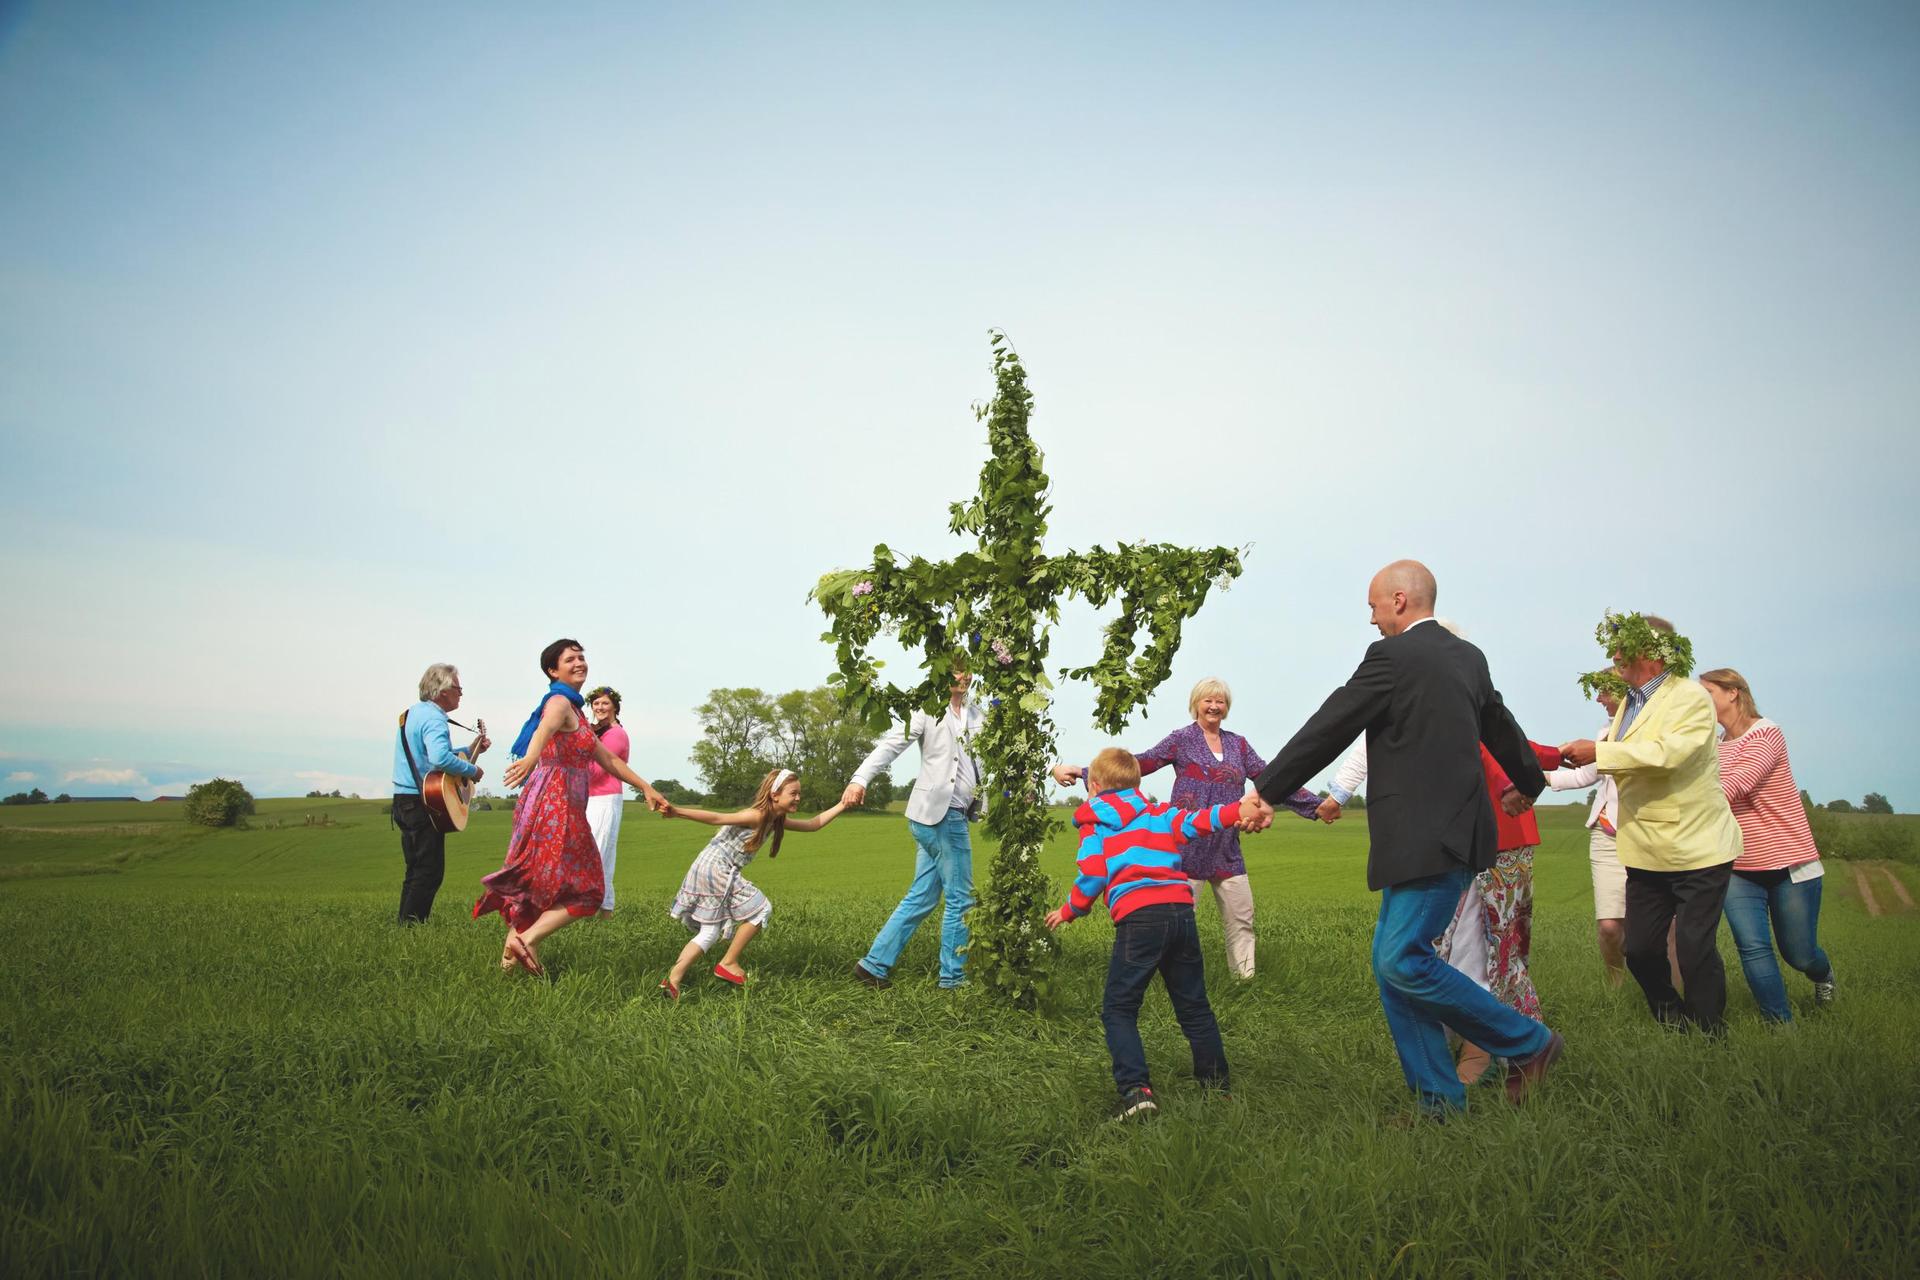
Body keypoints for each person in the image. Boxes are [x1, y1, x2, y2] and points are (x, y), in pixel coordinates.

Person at [1242, 560, 1562, 1117]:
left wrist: (1267, 788)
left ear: (1397, 601)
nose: (1370, 621)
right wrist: (1529, 783)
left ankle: (1529, 1043)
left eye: (1372, 608)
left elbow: (1333, 721)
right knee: (1394, 970)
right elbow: (1501, 724)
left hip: (1423, 838)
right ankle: (1439, 1103)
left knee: (1402, 963)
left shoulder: (1391, 656)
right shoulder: (1469, 657)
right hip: (1449, 834)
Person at [1318, 728, 1561, 1085]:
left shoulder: (1445, 692)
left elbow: (1487, 740)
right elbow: (1370, 742)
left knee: (1479, 947)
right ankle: (1492, 1049)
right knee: (1459, 947)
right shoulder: (1432, 693)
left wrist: (1518, 778)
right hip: (1464, 839)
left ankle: (1488, 1050)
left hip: (1487, 840)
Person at [1048, 678, 1319, 979]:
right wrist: (1081, 771)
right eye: (1208, 700)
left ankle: (1245, 981)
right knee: (1176, 923)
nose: (1214, 706)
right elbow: (1141, 764)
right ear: (1196, 705)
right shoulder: (1182, 739)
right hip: (1185, 846)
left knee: (1241, 919)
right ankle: (1166, 979)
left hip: (1226, 846)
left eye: (1220, 701)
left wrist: (1316, 806)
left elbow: (1270, 777)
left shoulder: (1238, 745)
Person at [1560, 613, 1743, 1033]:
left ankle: (1708, 1034)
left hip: (1696, 847)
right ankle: (1671, 1017)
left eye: (1623, 647)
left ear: (1653, 652)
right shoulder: (1629, 702)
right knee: (1640, 950)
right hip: (1645, 849)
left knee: (1695, 949)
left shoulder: (1691, 699)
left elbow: (1668, 754)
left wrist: (1601, 753)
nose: (1615, 655)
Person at [1045, 747, 1243, 1119]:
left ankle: (1136, 1092)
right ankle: (1218, 1090)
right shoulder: (1159, 814)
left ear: (1096, 785)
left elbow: (1092, 876)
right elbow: (1200, 821)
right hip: (1181, 911)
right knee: (1194, 1006)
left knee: (1119, 1008)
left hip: (1139, 918)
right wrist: (1238, 809)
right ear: (1136, 783)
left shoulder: (1095, 823)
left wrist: (1068, 911)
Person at [478, 639, 667, 975]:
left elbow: (607, 758)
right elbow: (546, 725)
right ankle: (527, 940)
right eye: (570, 659)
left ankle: (506, 971)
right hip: (556, 804)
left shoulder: (578, 711)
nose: (580, 662)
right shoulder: (560, 701)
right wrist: (532, 757)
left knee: (537, 887)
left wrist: (645, 786)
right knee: (590, 892)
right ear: (553, 670)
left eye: (582, 657)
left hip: (558, 802)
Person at [1700, 667, 1835, 1021]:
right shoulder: (1713, 745)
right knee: (1753, 948)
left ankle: (1822, 974)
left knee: (1799, 954)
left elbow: (1738, 784)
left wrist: (1687, 802)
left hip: (1789, 862)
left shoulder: (1766, 733)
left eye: (1707, 694)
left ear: (1732, 692)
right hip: (1739, 864)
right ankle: (1780, 1026)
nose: (1701, 703)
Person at [842, 664, 984, 990]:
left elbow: (999, 754)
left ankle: (873, 965)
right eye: (956, 671)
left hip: (951, 814)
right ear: (942, 675)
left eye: (968, 671)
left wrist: (1050, 769)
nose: (964, 677)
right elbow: (890, 745)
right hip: (939, 814)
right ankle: (953, 979)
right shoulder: (927, 710)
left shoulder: (977, 715)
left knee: (922, 896)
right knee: (962, 899)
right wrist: (860, 779)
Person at [658, 768, 849, 998]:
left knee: (710, 931)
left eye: (799, 793)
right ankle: (728, 963)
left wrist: (843, 805)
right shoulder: (756, 815)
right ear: (775, 794)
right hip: (717, 867)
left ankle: (672, 980)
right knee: (761, 909)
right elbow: (716, 818)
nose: (798, 797)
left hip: (707, 866)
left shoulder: (775, 819)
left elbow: (813, 824)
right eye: (793, 793)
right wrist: (676, 811)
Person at [1542, 681, 1630, 983]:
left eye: (1605, 690)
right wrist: (1532, 771)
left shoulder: (1651, 726)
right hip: (1607, 835)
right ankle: (1616, 985)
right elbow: (1584, 775)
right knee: (1609, 926)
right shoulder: (1605, 731)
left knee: (1661, 927)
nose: (1598, 697)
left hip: (1648, 833)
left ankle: (1668, 998)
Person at [391, 662, 486, 924]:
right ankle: (411, 928)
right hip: (421, 802)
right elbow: (439, 757)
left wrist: (469, 749)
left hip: (404, 800)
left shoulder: (413, 713)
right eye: (458, 688)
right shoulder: (435, 718)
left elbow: (430, 755)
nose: (461, 693)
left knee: (416, 869)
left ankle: (406, 924)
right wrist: (471, 770)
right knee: (429, 871)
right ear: (442, 690)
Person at [584, 685, 630, 914]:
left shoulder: (615, 734)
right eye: (596, 704)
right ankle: (605, 912)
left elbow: (597, 771)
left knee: (596, 854)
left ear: (614, 707)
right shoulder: (599, 732)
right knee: (603, 857)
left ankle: (587, 908)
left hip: (605, 798)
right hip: (592, 798)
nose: (600, 707)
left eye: (605, 703)